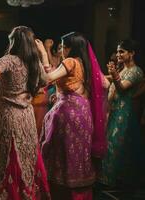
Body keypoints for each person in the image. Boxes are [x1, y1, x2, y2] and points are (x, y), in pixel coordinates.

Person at [36, 32, 108, 200]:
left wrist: (43, 55)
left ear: (70, 47)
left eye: (63, 46)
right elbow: (104, 83)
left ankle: (61, 193)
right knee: (78, 153)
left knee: (63, 153)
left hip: (68, 114)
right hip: (83, 112)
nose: (61, 51)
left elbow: (47, 79)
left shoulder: (70, 61)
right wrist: (63, 93)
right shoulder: (85, 63)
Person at [0, 26, 49, 200]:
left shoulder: (9, 60)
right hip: (26, 116)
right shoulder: (35, 62)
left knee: (6, 155)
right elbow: (46, 81)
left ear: (14, 41)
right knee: (26, 154)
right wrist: (44, 55)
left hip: (7, 115)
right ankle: (27, 194)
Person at [99, 39, 145, 188]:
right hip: (114, 111)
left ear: (131, 53)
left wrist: (113, 74)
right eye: (118, 51)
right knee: (110, 143)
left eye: (122, 51)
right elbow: (111, 81)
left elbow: (122, 88)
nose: (118, 54)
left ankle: (112, 180)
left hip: (125, 113)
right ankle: (108, 178)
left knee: (116, 145)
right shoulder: (122, 69)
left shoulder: (136, 71)